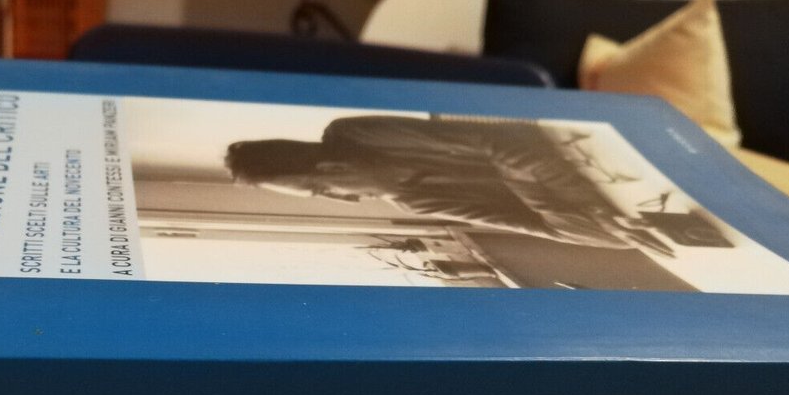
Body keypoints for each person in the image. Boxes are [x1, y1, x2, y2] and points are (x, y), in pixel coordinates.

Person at [225, 115, 672, 255]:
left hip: (597, 147)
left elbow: (508, 145)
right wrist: (591, 215)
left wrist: (578, 205)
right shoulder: (414, 201)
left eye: (323, 190)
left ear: (331, 168)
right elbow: (553, 230)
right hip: (606, 192)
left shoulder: (353, 134)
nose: (349, 200)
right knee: (605, 236)